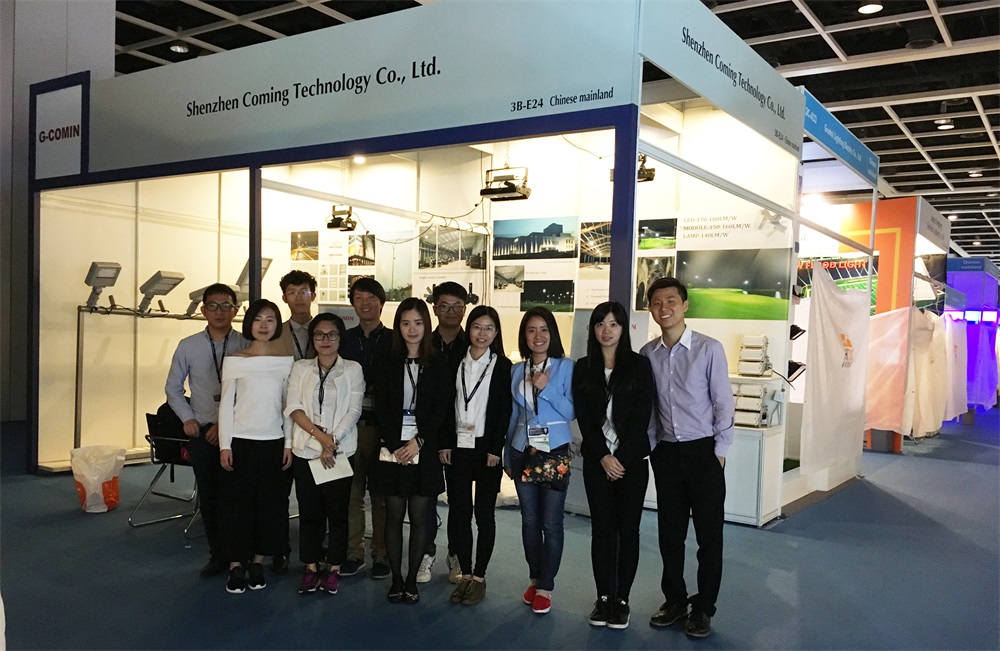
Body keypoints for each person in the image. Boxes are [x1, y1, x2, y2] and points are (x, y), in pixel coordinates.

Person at [641, 278, 734, 638]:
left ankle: (704, 608)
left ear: (684, 305)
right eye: (657, 303)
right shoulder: (648, 353)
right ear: (651, 309)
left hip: (703, 452)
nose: (664, 308)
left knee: (709, 537)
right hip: (666, 453)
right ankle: (675, 600)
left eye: (671, 301)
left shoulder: (709, 349)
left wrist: (720, 451)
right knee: (670, 535)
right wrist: (652, 446)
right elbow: (650, 408)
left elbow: (723, 402)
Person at [572, 301, 653, 630]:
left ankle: (622, 600)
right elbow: (585, 419)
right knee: (602, 530)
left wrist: (621, 458)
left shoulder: (639, 366)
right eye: (600, 324)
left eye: (613, 324)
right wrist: (604, 457)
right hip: (598, 462)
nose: (606, 330)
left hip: (632, 463)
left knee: (628, 531)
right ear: (592, 329)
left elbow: (642, 417)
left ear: (623, 329)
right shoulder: (583, 368)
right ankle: (604, 597)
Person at [371, 297, 453, 604]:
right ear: (398, 327)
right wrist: (396, 445)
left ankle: (411, 581)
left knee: (420, 518)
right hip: (392, 449)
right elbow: (381, 407)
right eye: (405, 323)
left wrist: (418, 442)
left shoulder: (439, 363)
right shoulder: (387, 360)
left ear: (426, 326)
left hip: (424, 448)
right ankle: (396, 579)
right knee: (393, 517)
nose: (412, 329)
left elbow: (440, 409)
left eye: (418, 323)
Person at [164, 283, 247, 577]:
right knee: (209, 499)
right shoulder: (188, 345)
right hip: (201, 431)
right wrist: (187, 418)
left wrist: (225, 424)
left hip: (238, 432)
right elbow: (173, 389)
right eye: (213, 306)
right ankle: (218, 555)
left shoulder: (246, 344)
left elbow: (251, 392)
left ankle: (242, 555)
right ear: (203, 310)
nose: (219, 312)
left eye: (226, 306)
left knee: (238, 497)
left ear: (236, 310)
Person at [217, 299, 294, 594]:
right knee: (237, 506)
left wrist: (288, 443)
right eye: (259, 319)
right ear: (249, 323)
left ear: (277, 325)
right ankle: (235, 565)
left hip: (273, 442)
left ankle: (259, 560)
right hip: (240, 442)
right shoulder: (235, 360)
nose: (264, 325)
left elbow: (288, 406)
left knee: (269, 506)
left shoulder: (285, 362)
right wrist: (225, 445)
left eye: (270, 319)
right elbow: (226, 405)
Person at [284, 313, 364, 595]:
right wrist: (321, 440)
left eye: (332, 334)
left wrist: (332, 442)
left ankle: (334, 568)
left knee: (337, 513)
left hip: (340, 451)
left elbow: (354, 410)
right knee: (310, 513)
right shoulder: (300, 368)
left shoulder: (352, 369)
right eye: (319, 334)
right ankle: (310, 566)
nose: (325, 340)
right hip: (307, 450)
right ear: (313, 338)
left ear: (340, 338)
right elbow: (293, 407)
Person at [438, 305, 512, 606]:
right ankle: (465, 573)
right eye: (477, 327)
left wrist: (496, 448)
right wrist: (444, 443)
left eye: (489, 328)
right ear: (468, 329)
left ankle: (479, 576)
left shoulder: (503, 365)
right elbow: (446, 404)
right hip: (457, 445)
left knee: (484, 514)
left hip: (487, 449)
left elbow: (505, 410)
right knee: (459, 512)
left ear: (496, 333)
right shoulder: (453, 360)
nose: (482, 333)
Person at [504, 306, 575, 615]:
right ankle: (534, 578)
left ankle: (546, 586)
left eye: (544, 329)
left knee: (552, 522)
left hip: (554, 451)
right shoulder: (516, 370)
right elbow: (514, 415)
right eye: (531, 330)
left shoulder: (566, 367)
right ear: (524, 335)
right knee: (529, 520)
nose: (538, 336)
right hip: (523, 449)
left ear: (552, 333)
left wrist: (546, 389)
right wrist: (507, 452)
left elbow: (571, 411)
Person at [339, 278, 393, 580]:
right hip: (350, 427)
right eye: (359, 298)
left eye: (371, 297)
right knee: (352, 493)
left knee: (381, 494)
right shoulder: (345, 339)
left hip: (383, 428)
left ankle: (381, 553)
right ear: (353, 304)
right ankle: (354, 551)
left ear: (381, 303)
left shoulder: (395, 340)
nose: (365, 303)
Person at [418, 281, 470, 584]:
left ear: (464, 309)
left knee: (460, 499)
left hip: (464, 433)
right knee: (426, 495)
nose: (451, 311)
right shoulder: (424, 342)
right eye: (444, 306)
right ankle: (426, 552)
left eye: (457, 306)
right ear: (435, 308)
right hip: (430, 431)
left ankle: (456, 554)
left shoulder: (474, 341)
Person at [272, 269, 319, 573]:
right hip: (280, 422)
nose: (299, 297)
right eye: (292, 292)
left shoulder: (326, 329)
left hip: (317, 424)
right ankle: (279, 550)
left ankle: (313, 553)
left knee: (312, 497)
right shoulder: (274, 333)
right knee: (278, 493)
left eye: (304, 291)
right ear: (284, 297)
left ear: (313, 294)